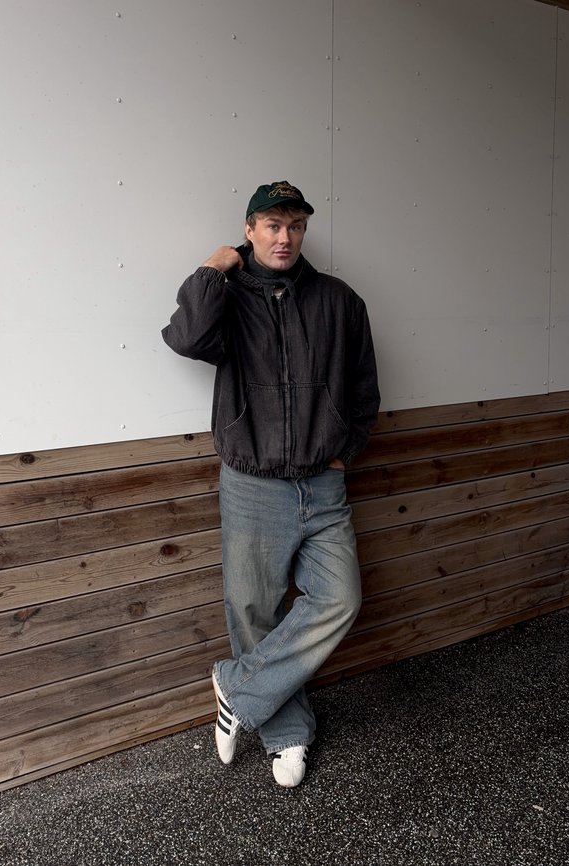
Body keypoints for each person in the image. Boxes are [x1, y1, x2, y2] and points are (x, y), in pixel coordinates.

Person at [162, 180, 379, 787]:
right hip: (253, 483)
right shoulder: (227, 299)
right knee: (253, 611)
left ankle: (235, 688)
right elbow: (185, 338)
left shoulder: (339, 301)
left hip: (324, 485)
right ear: (251, 229)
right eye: (273, 225)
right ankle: (287, 735)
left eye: (296, 225)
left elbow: (365, 387)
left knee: (340, 599)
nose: (286, 237)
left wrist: (348, 449)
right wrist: (213, 267)